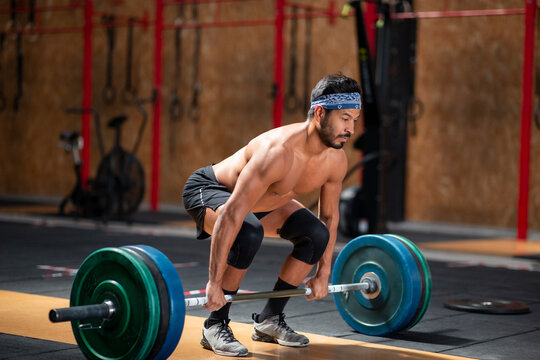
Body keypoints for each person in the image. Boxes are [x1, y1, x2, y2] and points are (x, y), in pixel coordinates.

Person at [182, 74, 362, 357]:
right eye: (344, 118)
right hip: (209, 190)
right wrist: (214, 284)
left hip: (258, 205)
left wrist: (323, 272)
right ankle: (214, 325)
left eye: (354, 119)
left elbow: (328, 218)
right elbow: (232, 214)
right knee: (247, 230)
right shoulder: (277, 153)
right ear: (319, 113)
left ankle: (269, 320)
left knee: (316, 235)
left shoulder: (336, 160)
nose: (350, 128)